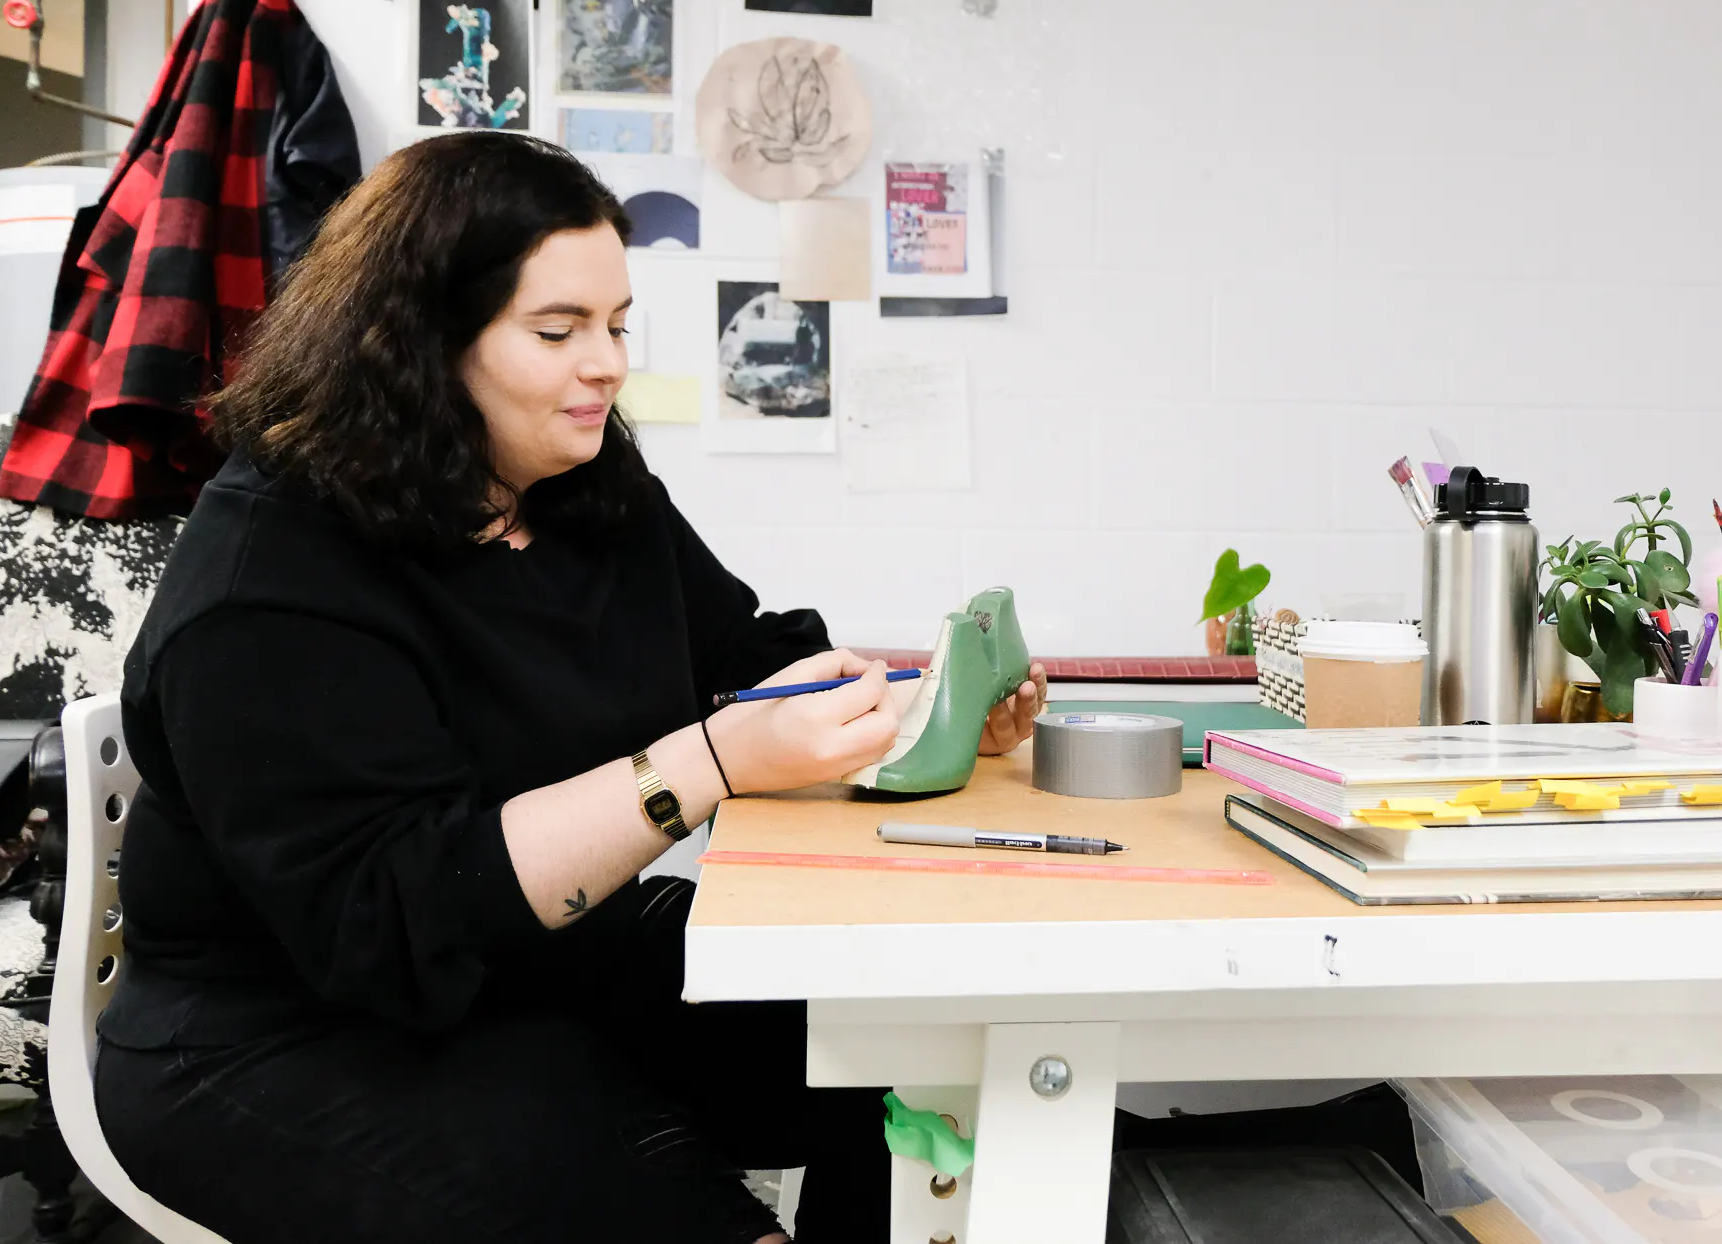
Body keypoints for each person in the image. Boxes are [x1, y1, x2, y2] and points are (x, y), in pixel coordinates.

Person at [94, 131, 1046, 1244]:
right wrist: (716, 760)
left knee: (895, 1054)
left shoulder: (580, 483)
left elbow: (739, 660)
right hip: (286, 1035)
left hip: (537, 966)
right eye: (558, 331)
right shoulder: (271, 582)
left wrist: (912, 715)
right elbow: (402, 916)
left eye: (616, 323)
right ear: (415, 342)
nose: (606, 364)